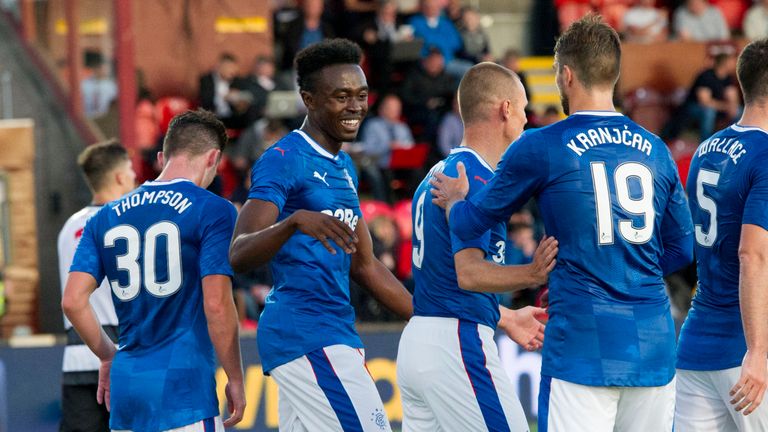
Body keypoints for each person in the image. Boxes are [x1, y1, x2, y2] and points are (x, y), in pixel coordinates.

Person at [430, 15, 694, 431]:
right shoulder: (656, 149)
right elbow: (683, 248)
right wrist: (628, 270)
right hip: (654, 345)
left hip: (582, 343)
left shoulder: (542, 144)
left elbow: (473, 221)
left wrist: (456, 203)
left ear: (566, 75)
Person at [229, 39, 412, 431]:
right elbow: (239, 252)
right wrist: (292, 223)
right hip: (305, 332)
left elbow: (364, 265)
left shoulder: (345, 166)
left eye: (361, 95)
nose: (355, 106)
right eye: (341, 96)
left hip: (332, 328)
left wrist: (427, 317)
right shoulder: (283, 160)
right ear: (309, 100)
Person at [397, 62, 558, 431]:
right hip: (456, 341)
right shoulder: (480, 180)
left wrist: (505, 317)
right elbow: (468, 273)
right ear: (505, 109)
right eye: (522, 108)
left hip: (420, 339)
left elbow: (446, 278)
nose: (525, 119)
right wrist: (532, 272)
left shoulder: (437, 174)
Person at [62, 110, 246, 431]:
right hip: (184, 389)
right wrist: (235, 376)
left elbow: (73, 301)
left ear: (161, 158)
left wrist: (107, 355)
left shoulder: (104, 217)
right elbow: (216, 305)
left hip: (127, 392)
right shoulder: (213, 209)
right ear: (213, 158)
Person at [675, 38, 768, 431]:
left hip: (697, 344)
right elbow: (753, 255)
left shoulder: (707, 148)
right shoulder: (765, 154)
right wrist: (759, 351)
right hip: (747, 350)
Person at [57, 140, 135, 432]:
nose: (134, 178)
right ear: (118, 177)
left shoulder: (69, 227)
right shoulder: (128, 222)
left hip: (77, 356)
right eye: (130, 171)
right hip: (123, 349)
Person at [662, 52, 741, 142]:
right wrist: (726, 107)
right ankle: (705, 143)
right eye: (732, 61)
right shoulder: (706, 76)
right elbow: (705, 102)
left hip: (717, 107)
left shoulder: (727, 78)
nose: (735, 64)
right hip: (693, 107)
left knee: (739, 110)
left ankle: (734, 140)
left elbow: (732, 96)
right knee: (709, 111)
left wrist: (733, 107)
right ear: (724, 63)